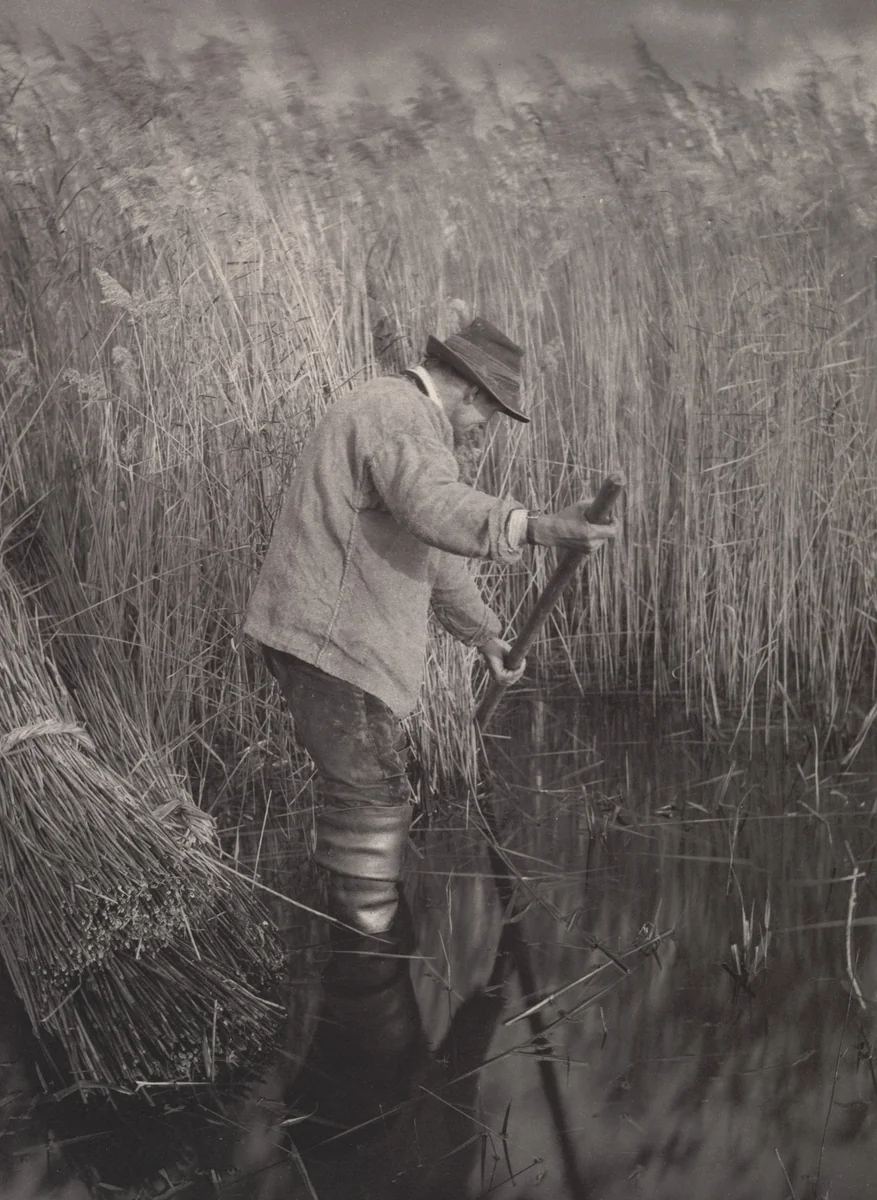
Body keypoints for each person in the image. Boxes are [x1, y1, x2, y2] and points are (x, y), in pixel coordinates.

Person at [243, 317, 617, 934]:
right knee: (375, 795)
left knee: (363, 789)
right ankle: (369, 968)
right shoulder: (399, 413)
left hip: (330, 642)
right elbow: (433, 506)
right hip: (334, 643)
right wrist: (541, 526)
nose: (483, 430)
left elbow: (433, 547)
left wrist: (484, 633)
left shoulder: (401, 417)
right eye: (490, 415)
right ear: (471, 391)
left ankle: (348, 940)